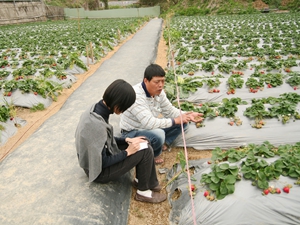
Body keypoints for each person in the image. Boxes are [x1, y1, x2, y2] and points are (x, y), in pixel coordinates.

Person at [75, 79, 166, 204]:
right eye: (125, 107)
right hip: (98, 171)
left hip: (98, 158)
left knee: (143, 142)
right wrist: (127, 152)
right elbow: (102, 162)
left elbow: (104, 139)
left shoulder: (97, 108)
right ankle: (143, 192)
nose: (124, 111)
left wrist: (127, 139)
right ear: (117, 105)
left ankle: (143, 181)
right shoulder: (96, 125)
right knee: (143, 151)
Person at [120, 64, 204, 164]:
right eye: (157, 82)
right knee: (159, 134)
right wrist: (175, 120)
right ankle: (154, 154)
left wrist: (186, 115)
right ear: (146, 81)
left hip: (149, 127)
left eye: (163, 81)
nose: (160, 85)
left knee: (183, 122)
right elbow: (149, 123)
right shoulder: (136, 96)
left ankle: (164, 142)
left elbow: (170, 111)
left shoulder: (159, 92)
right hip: (132, 132)